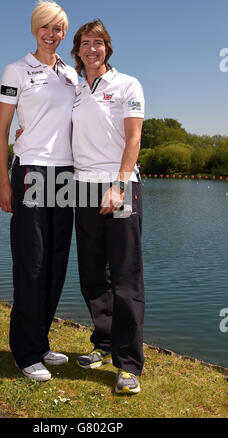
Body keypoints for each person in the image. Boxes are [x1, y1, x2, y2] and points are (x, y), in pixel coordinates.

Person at [0, 0, 78, 381]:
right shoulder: (16, 70)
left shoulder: (71, 74)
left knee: (55, 263)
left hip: (65, 175)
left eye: (58, 29)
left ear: (64, 33)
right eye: (45, 27)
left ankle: (40, 340)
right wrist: (2, 182)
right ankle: (24, 351)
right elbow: (0, 132)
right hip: (29, 172)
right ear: (34, 29)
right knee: (31, 263)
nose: (51, 34)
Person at [71, 20, 145, 394]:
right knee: (92, 273)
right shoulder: (77, 89)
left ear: (107, 47)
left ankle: (128, 364)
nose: (91, 49)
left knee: (125, 277)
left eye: (98, 43)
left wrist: (118, 184)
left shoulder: (127, 85)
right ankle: (103, 343)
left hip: (119, 187)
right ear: (78, 50)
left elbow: (134, 137)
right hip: (82, 188)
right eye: (85, 43)